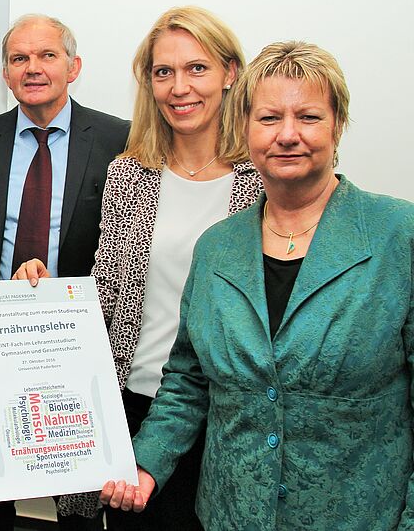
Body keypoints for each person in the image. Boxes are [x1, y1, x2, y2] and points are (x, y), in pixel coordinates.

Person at [100, 41, 414, 530]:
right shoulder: (218, 247)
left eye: (308, 117)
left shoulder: (398, 235)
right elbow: (188, 378)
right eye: (268, 119)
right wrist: (146, 464)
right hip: (231, 513)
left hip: (360, 515)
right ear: (245, 130)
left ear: (338, 126)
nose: (287, 135)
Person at [22, 7, 259, 530]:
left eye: (197, 68)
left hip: (231, 412)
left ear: (230, 73)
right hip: (134, 400)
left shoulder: (263, 180)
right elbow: (108, 290)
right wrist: (42, 297)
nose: (180, 87)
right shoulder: (130, 174)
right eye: (163, 72)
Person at [0, 13, 129, 530]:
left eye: (47, 55)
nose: (33, 68)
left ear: (73, 67)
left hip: (76, 345)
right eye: (19, 58)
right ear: (6, 74)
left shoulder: (121, 140)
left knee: (76, 496)